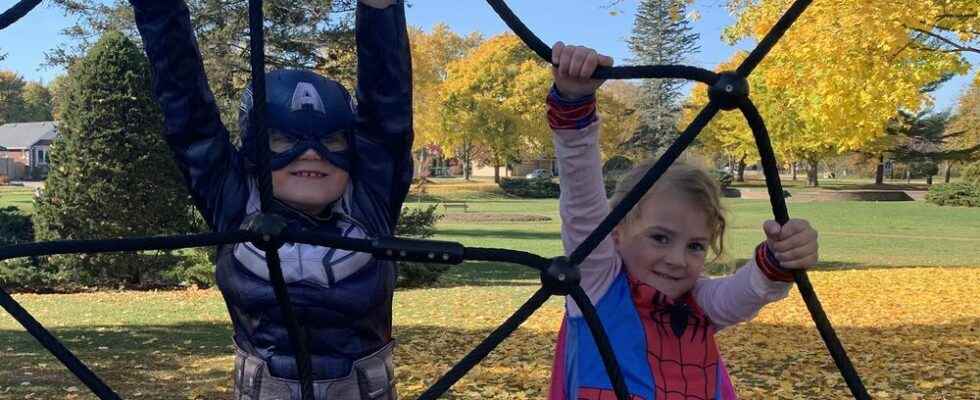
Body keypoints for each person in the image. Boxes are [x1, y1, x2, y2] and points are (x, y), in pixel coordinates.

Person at [128, 0, 411, 398]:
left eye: (330, 140)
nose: (311, 154)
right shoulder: (234, 201)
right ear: (255, 149)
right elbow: (187, 112)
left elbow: (388, 113)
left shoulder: (368, 202)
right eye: (284, 140)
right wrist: (159, 10)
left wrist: (379, 9)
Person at [545, 42, 819, 400]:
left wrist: (782, 256)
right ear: (617, 232)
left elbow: (750, 289)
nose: (677, 260)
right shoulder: (596, 285)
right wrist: (573, 102)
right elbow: (581, 198)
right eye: (660, 238)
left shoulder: (699, 302)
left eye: (695, 246)